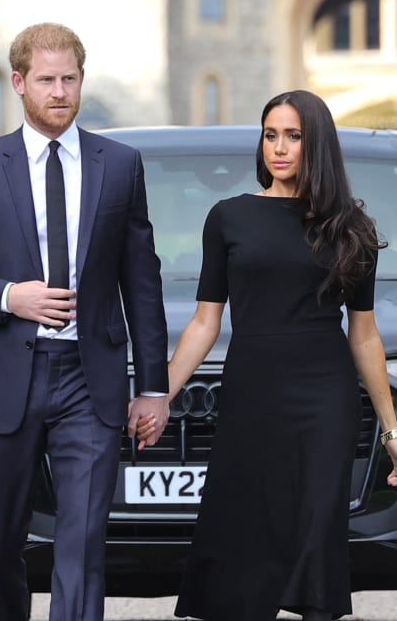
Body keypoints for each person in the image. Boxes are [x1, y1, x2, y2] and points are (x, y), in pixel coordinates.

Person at [0, 22, 170, 621]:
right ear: (19, 83)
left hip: (91, 378)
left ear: (82, 80)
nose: (60, 91)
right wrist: (9, 297)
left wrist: (153, 387)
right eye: (46, 80)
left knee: (82, 542)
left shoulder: (120, 164)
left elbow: (142, 281)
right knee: (0, 543)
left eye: (70, 79)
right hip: (5, 372)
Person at [162, 90, 397, 620]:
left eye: (294, 136)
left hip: (324, 402)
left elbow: (363, 334)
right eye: (271, 135)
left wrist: (392, 429)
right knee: (246, 535)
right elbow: (205, 320)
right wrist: (160, 394)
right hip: (251, 397)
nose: (280, 148)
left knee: (317, 532)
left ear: (318, 146)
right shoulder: (229, 218)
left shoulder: (350, 229)